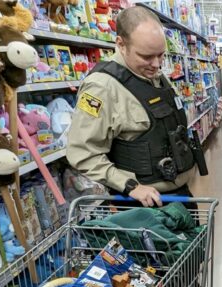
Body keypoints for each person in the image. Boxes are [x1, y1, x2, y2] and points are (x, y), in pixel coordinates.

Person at [67, 6, 207, 208]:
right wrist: (130, 186)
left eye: (161, 55)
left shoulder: (155, 77)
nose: (156, 64)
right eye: (146, 56)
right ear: (121, 44)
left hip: (177, 197)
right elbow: (83, 153)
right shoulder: (102, 87)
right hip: (143, 207)